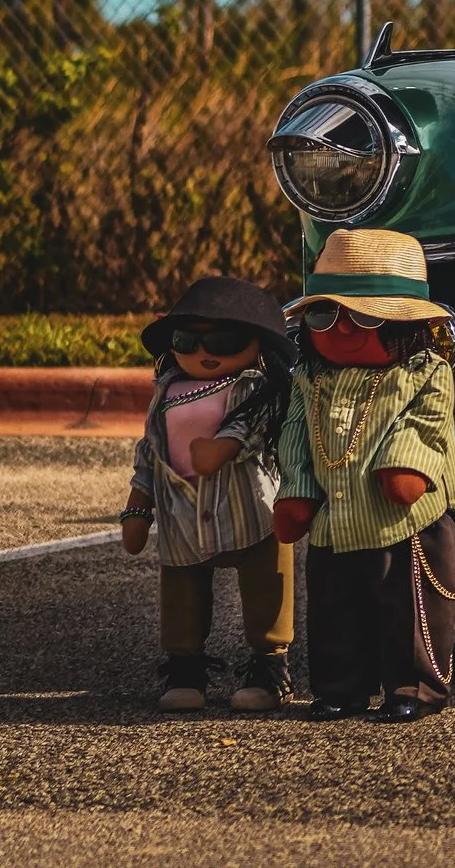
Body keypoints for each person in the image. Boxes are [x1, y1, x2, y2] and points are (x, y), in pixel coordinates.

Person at [272, 228, 455, 722]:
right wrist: (297, 492)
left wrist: (405, 465)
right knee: (334, 610)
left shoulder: (425, 370)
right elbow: (294, 438)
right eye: (325, 314)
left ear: (405, 325)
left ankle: (414, 688)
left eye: (363, 316)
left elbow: (427, 426)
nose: (341, 330)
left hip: (405, 521)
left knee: (409, 608)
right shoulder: (309, 379)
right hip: (334, 520)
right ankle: (340, 687)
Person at [122, 276, 297, 711]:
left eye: (225, 339)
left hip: (248, 505)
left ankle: (270, 666)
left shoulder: (260, 387)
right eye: (187, 340)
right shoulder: (166, 391)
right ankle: (185, 666)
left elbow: (256, 425)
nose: (204, 352)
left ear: (259, 344)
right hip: (182, 507)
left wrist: (226, 445)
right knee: (181, 587)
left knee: (266, 582)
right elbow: (151, 450)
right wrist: (137, 506)